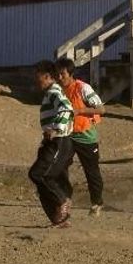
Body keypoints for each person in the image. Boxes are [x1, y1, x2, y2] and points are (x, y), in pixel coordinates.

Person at [56, 57, 106, 217]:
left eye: (62, 74)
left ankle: (97, 203)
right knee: (59, 166)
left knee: (91, 171)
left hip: (86, 136)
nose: (60, 77)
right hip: (68, 136)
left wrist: (80, 111)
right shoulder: (58, 91)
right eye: (58, 74)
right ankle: (64, 198)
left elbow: (101, 109)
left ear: (70, 74)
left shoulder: (83, 88)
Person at [28, 59, 75, 228]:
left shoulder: (54, 91)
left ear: (47, 76)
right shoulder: (50, 93)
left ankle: (62, 200)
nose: (36, 79)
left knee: (38, 174)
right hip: (52, 142)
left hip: (59, 141)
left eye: (38, 76)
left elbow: (67, 108)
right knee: (46, 177)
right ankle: (59, 219)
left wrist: (56, 129)